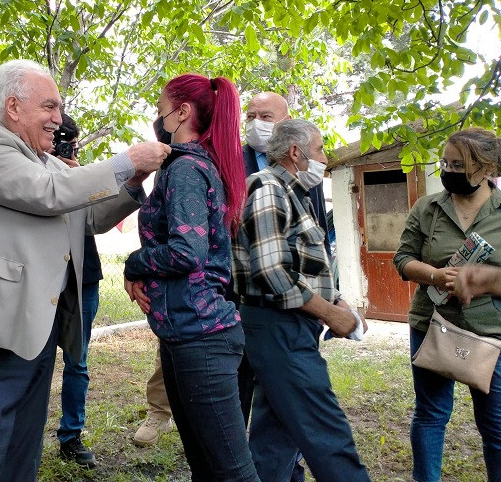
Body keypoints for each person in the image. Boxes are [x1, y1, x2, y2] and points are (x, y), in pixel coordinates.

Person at [0, 59, 169, 481]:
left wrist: (134, 182)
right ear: (14, 107)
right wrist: (125, 160)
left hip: (34, 327)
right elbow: (48, 195)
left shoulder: (52, 164)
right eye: (49, 107)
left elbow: (91, 217)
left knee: (21, 453)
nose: (59, 119)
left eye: (59, 108)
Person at [133, 91, 330, 465]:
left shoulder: (305, 166)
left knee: (274, 415)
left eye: (266, 115)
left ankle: (281, 468)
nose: (258, 122)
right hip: (224, 301)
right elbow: (197, 239)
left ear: (285, 120)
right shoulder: (225, 160)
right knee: (224, 430)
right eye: (251, 114)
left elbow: (315, 240)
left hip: (270, 310)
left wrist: (327, 299)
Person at [124, 73, 259, 481]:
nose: (156, 116)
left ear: (181, 112)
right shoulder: (187, 166)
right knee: (207, 466)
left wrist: (135, 262)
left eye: (160, 108)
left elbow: (187, 251)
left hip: (203, 337)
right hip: (184, 334)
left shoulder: (185, 169)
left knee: (233, 472)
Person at [232, 118, 370, 482]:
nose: (325, 158)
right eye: (321, 150)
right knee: (327, 431)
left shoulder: (291, 193)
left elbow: (305, 265)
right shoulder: (267, 188)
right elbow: (273, 272)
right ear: (296, 152)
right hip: (278, 325)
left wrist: (337, 301)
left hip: (289, 324)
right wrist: (329, 314)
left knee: (275, 435)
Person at [394, 128, 501, 482]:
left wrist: (486, 279)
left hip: (491, 334)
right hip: (432, 325)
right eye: (446, 163)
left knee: (497, 427)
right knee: (430, 415)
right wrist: (436, 276)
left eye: (460, 165)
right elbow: (403, 258)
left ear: (487, 169)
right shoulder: (428, 207)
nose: (449, 171)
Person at [51, 113, 103, 468]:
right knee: (30, 361)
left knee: (77, 361)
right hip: (41, 279)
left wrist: (77, 174)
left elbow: (99, 218)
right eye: (58, 138)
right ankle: (20, 431)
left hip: (82, 279)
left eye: (70, 140)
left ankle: (71, 435)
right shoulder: (26, 170)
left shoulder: (83, 175)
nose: (64, 146)